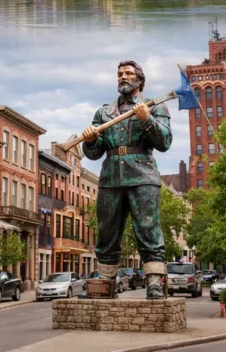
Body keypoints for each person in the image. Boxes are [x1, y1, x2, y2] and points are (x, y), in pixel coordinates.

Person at [81, 60, 172, 299]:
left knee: (148, 228)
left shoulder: (154, 106)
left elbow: (164, 142)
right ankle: (105, 281)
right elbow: (94, 152)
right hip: (111, 176)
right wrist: (90, 140)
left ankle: (153, 282)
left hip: (143, 175)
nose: (123, 76)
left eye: (128, 73)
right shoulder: (104, 112)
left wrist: (146, 119)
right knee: (106, 230)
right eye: (120, 73)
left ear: (139, 80)